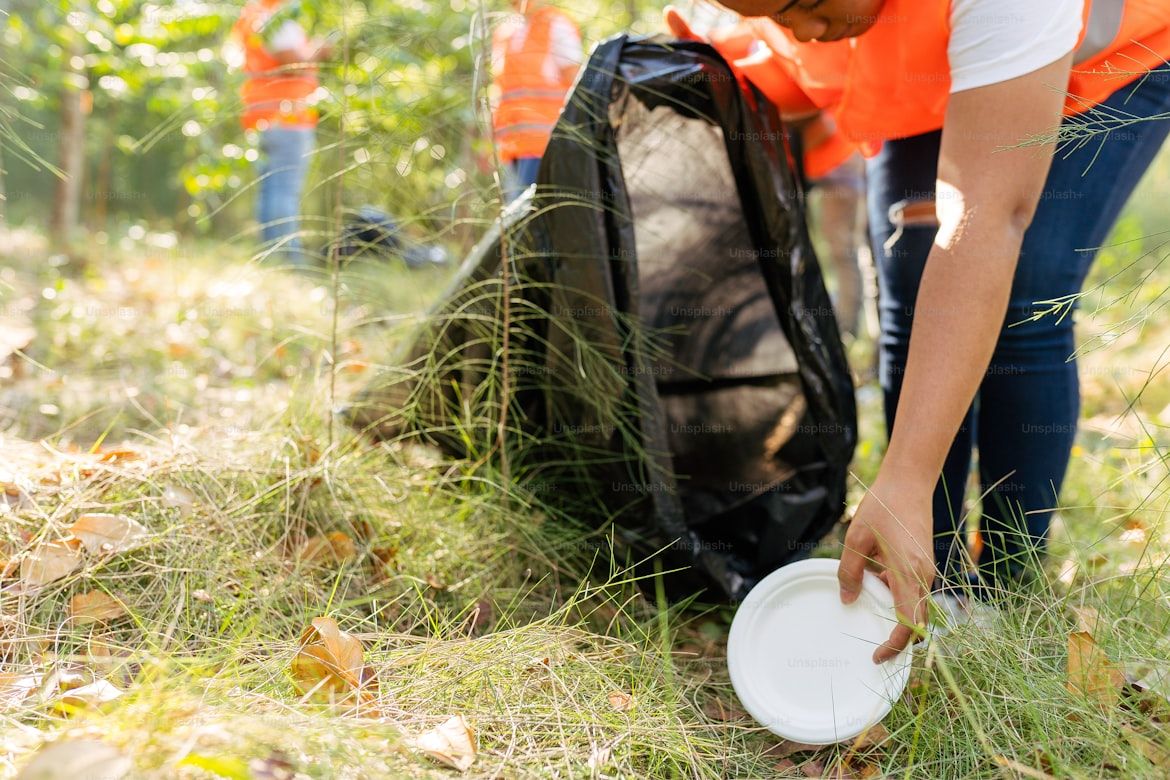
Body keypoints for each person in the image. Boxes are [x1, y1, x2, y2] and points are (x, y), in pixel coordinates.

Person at [682, 0, 1170, 661]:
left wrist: (906, 474)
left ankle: (1007, 591)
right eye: (777, 15)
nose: (803, 30)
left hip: (1111, 62)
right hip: (932, 74)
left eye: (805, 4)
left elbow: (988, 217)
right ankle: (926, 570)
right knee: (911, 289)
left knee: (1028, 293)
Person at [229, 0, 332, 265]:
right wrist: (318, 51)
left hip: (261, 116)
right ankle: (288, 259)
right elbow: (292, 63)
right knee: (285, 191)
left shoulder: (251, 16)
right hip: (288, 116)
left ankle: (271, 256)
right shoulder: (276, 18)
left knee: (270, 190)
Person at [490, 0, 582, 201]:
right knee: (517, 223)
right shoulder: (505, 32)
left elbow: (577, 87)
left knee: (536, 219)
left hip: (546, 147)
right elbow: (501, 90)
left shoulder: (557, 25)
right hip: (511, 148)